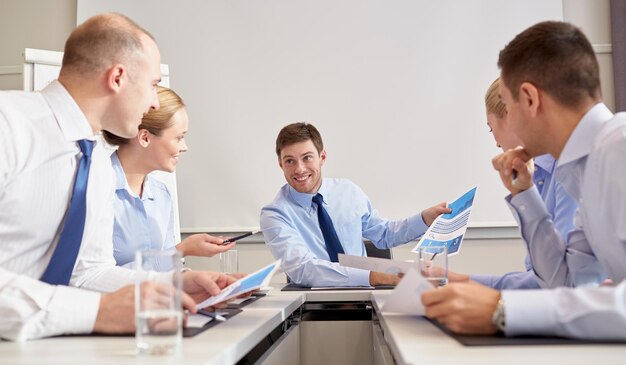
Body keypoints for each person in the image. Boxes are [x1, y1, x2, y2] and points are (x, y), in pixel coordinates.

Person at [0, 13, 234, 342]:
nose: (154, 103)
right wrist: (97, 312)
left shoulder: (95, 163)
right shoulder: (8, 124)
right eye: (153, 85)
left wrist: (171, 286)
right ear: (118, 77)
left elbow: (87, 272)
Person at [422, 21, 626, 340]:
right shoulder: (588, 168)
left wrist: (504, 310)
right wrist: (526, 195)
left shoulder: (620, 148)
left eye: (508, 103)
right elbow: (568, 283)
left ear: (529, 99)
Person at [260, 122, 450, 287]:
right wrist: (376, 276)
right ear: (280, 164)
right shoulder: (275, 214)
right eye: (290, 161)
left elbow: (384, 234)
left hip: (366, 296)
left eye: (307, 157)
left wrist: (425, 219)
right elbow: (303, 269)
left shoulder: (347, 191)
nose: (299, 169)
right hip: (314, 306)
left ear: (322, 157)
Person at [449, 77, 579, 289]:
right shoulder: (537, 174)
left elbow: (561, 281)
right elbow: (545, 276)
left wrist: (465, 282)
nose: (496, 142)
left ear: (510, 115)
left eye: (492, 129)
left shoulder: (568, 169)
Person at [103, 86, 235, 268]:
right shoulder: (98, 190)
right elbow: (94, 277)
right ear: (145, 138)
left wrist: (205, 282)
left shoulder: (161, 195)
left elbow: (167, 270)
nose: (184, 147)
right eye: (179, 137)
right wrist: (181, 250)